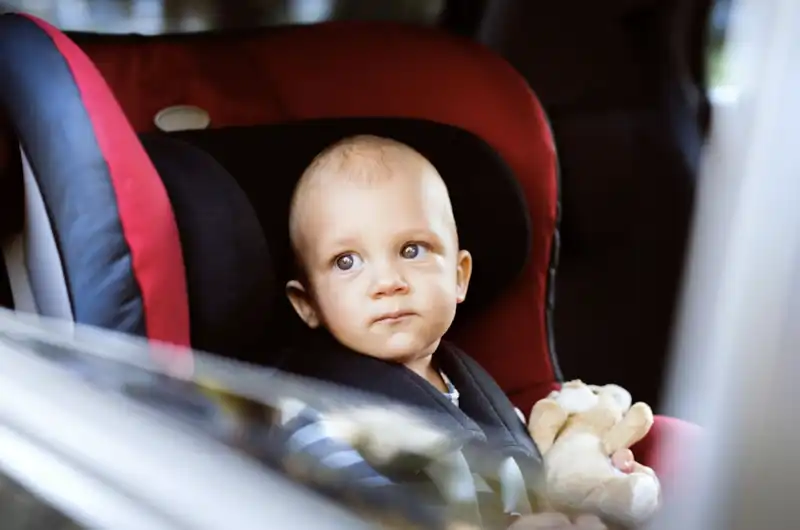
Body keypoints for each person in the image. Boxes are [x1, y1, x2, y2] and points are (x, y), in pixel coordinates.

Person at [276, 134, 640, 529]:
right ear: (307, 304)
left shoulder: (478, 395)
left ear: (458, 276)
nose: (388, 281)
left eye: (412, 250)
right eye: (346, 261)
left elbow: (523, 484)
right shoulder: (323, 425)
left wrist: (589, 483)